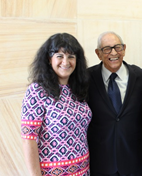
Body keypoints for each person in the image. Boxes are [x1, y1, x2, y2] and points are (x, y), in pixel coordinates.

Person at [21, 33, 92, 176]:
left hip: (83, 170)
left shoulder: (78, 90)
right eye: (59, 56)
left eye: (71, 56)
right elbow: (28, 139)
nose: (65, 62)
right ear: (49, 59)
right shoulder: (37, 91)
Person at [87, 31, 142, 176]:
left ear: (124, 49)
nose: (113, 52)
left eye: (118, 47)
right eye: (107, 49)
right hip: (99, 163)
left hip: (133, 162)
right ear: (98, 53)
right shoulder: (86, 78)